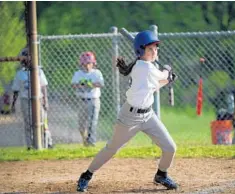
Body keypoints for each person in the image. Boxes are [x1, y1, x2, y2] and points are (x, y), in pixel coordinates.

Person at [76, 30, 178, 192]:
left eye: (156, 48)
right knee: (111, 148)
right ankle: (86, 176)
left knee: (170, 147)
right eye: (150, 49)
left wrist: (167, 80)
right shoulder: (145, 67)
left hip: (148, 115)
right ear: (140, 51)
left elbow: (153, 87)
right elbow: (162, 74)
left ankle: (161, 174)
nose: (154, 51)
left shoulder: (143, 67)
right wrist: (167, 70)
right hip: (129, 118)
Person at [11, 47, 53, 150]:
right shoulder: (20, 73)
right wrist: (13, 104)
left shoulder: (38, 71)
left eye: (28, 57)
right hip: (25, 100)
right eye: (24, 58)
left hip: (38, 99)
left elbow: (43, 86)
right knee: (28, 123)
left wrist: (45, 101)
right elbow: (16, 90)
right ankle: (30, 145)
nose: (26, 60)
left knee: (42, 121)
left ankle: (47, 143)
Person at [71, 51, 104, 146]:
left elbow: (101, 84)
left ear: (93, 63)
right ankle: (85, 140)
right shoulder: (78, 73)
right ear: (81, 64)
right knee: (81, 125)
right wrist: (80, 84)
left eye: (89, 63)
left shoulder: (96, 73)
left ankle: (91, 142)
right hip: (82, 101)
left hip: (93, 100)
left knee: (92, 123)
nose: (87, 66)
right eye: (84, 64)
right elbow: (73, 84)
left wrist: (90, 84)